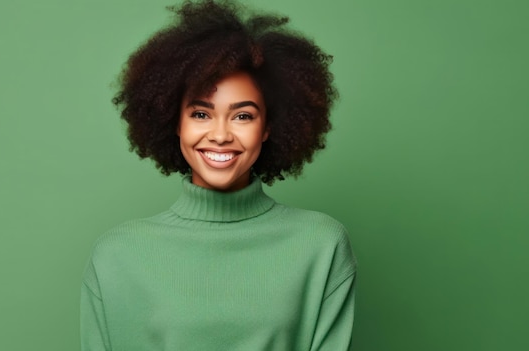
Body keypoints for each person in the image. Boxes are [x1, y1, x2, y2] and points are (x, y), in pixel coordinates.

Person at [81, 1, 356, 350]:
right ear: (174, 121)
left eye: (243, 116)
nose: (221, 134)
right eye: (200, 114)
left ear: (268, 127)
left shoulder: (320, 245)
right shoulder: (118, 255)